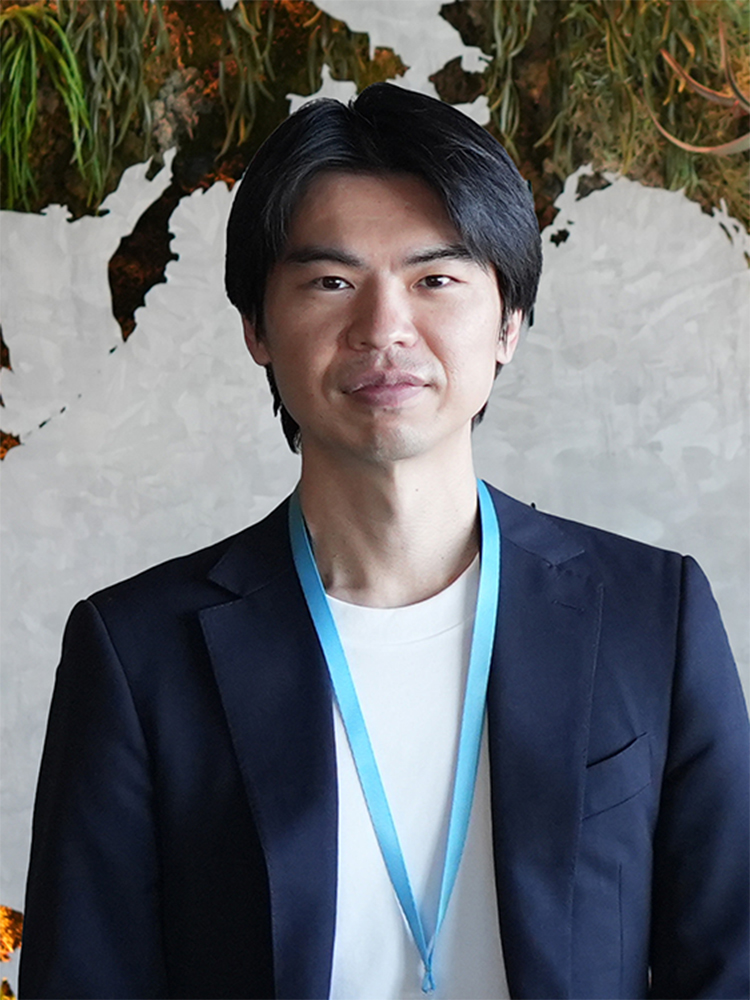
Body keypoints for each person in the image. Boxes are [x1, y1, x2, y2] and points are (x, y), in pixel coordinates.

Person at [19, 84, 749, 1000]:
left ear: (509, 323)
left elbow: (729, 962)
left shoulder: (654, 615)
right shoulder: (136, 653)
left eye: (435, 279)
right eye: (331, 282)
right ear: (257, 329)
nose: (384, 329)